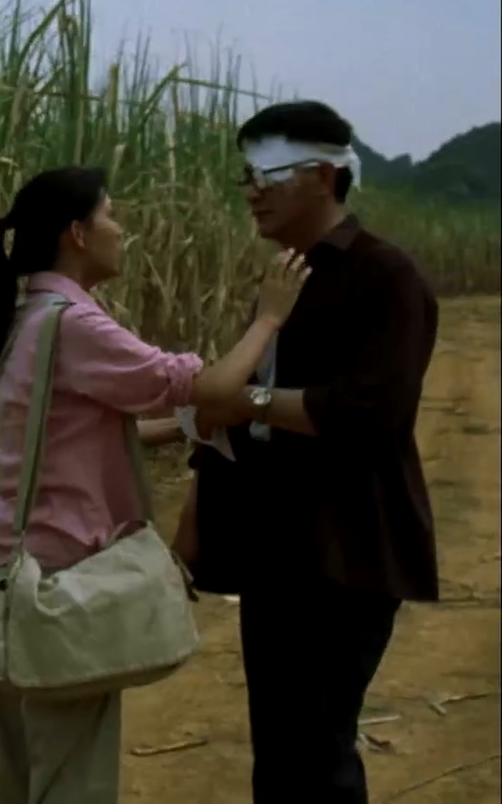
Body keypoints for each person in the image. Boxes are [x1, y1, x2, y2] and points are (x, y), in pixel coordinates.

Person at [0, 165, 310, 804]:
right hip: (57, 588)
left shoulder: (32, 318)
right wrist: (269, 319)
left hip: (5, 580)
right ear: (77, 233)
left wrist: (188, 428)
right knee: (71, 788)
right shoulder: (74, 323)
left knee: (22, 783)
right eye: (110, 214)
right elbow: (207, 385)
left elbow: (87, 433)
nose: (120, 229)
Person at [178, 101, 440, 804]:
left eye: (265, 175)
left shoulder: (386, 276)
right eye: (245, 177)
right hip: (276, 550)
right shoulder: (288, 277)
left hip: (346, 551)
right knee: (281, 747)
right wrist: (197, 515)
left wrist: (250, 401)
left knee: (318, 747)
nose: (251, 192)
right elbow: (233, 413)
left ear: (323, 177)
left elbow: (372, 409)